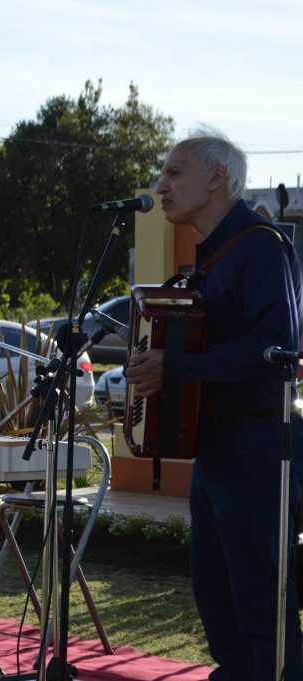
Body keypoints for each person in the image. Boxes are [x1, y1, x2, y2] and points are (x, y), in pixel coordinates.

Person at [126, 129, 303, 680]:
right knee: (216, 594)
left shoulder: (261, 246)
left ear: (217, 177)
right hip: (219, 448)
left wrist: (177, 368)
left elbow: (278, 350)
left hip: (255, 447)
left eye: (174, 173)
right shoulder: (213, 257)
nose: (162, 186)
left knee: (259, 599)